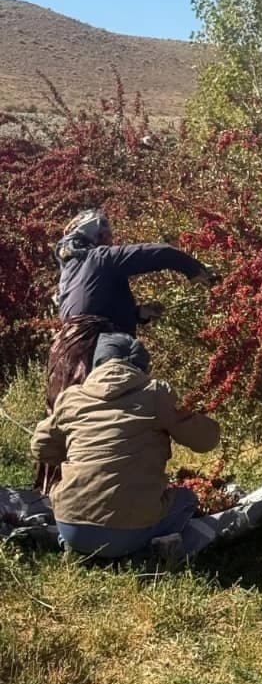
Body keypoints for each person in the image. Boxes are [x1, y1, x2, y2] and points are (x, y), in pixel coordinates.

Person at [36, 209, 215, 493]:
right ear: (94, 236)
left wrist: (137, 314)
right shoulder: (100, 258)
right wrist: (193, 269)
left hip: (67, 350)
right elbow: (160, 253)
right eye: (106, 234)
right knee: (112, 414)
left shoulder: (72, 268)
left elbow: (89, 307)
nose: (111, 240)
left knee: (70, 417)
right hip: (95, 347)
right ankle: (115, 486)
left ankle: (62, 490)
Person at [30, 332, 220, 560]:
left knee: (67, 498)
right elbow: (206, 441)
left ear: (96, 363)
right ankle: (148, 550)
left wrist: (77, 450)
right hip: (130, 532)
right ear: (142, 366)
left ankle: (71, 546)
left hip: (72, 526)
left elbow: (40, 446)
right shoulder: (156, 394)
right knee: (186, 499)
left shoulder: (71, 398)